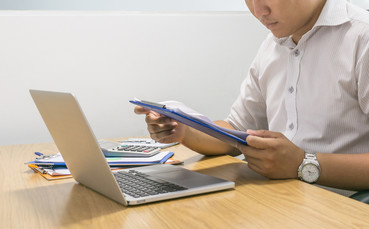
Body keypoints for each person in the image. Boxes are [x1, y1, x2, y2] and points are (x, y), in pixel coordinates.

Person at [134, 0, 369, 191]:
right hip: (279, 203)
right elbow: (238, 132)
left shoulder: (362, 37)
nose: (258, 11)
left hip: (343, 214)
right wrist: (184, 129)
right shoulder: (273, 45)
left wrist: (302, 163)